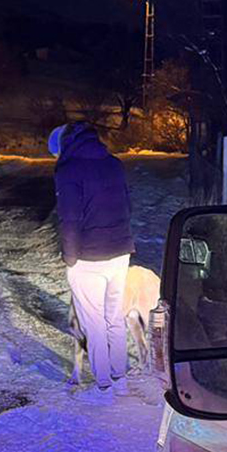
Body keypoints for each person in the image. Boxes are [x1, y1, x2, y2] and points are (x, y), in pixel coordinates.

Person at [49, 122, 135, 397]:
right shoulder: (113, 164)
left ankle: (104, 383)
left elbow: (69, 218)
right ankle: (120, 375)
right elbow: (127, 205)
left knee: (94, 321)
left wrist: (70, 257)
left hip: (88, 257)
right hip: (120, 253)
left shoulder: (68, 170)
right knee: (114, 317)